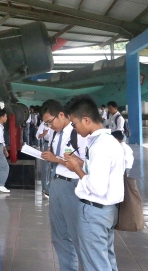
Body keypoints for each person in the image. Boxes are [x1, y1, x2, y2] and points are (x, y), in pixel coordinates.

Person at [63, 95, 124, 271]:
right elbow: (102, 171)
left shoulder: (100, 146)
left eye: (74, 124)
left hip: (95, 211)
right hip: (107, 210)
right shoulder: (108, 141)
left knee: (95, 264)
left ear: (86, 120)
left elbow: (97, 187)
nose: (74, 128)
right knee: (106, 259)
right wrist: (82, 163)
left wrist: (77, 169)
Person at [40, 99, 86, 271]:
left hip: (71, 186)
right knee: (59, 235)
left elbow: (85, 163)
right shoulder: (55, 134)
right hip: (57, 184)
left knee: (76, 234)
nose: (49, 126)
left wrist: (56, 159)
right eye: (46, 123)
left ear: (61, 114)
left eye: (50, 122)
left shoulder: (77, 133)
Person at [36, 119, 54, 197]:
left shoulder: (59, 122)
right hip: (47, 145)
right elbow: (37, 136)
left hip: (56, 145)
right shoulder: (44, 123)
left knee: (54, 168)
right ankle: (45, 189)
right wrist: (44, 134)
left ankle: (51, 188)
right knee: (45, 167)